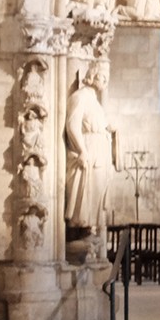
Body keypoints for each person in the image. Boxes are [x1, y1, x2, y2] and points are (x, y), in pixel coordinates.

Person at [64, 64, 113, 232]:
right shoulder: (80, 96)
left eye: (107, 79)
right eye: (102, 77)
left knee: (98, 195)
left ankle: (91, 231)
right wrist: (82, 150)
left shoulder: (96, 102)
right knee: (87, 197)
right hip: (89, 150)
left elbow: (102, 124)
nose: (105, 82)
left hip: (100, 153)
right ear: (92, 75)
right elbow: (72, 125)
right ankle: (81, 230)